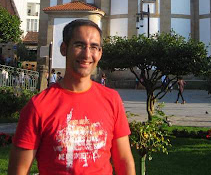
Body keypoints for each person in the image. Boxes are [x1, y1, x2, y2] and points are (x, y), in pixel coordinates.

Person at [8, 19, 136, 175]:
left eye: (94, 47)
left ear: (100, 53)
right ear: (64, 49)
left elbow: (124, 160)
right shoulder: (38, 106)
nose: (87, 54)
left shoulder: (112, 99)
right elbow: (19, 170)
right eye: (79, 45)